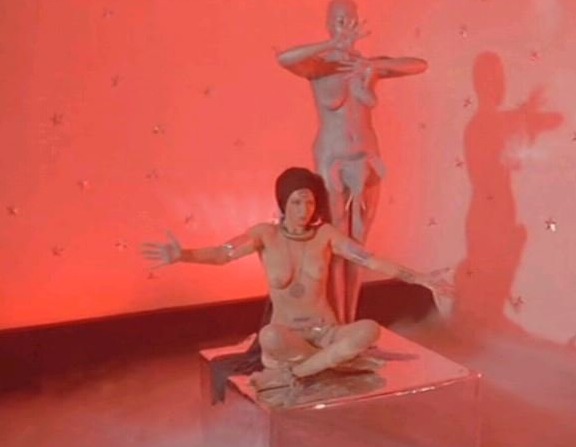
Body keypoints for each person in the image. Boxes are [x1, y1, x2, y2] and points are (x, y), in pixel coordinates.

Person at [141, 167, 451, 406]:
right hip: (287, 337)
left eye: (310, 202)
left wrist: (420, 279)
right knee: (270, 336)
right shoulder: (265, 235)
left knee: (369, 330)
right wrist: (182, 255)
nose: (304, 210)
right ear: (283, 203)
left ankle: (300, 372)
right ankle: (329, 364)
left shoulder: (325, 235)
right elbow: (224, 254)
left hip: (326, 333)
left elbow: (370, 260)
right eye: (296, 202)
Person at [276, 0, 428, 324]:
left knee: (359, 246)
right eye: (339, 20)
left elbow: (419, 65)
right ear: (329, 24)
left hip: (366, 159)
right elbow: (284, 58)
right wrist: (330, 45)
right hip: (332, 160)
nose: (346, 25)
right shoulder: (318, 66)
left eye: (350, 19)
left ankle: (349, 319)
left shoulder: (365, 66)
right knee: (333, 244)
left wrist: (370, 67)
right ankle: (332, 322)